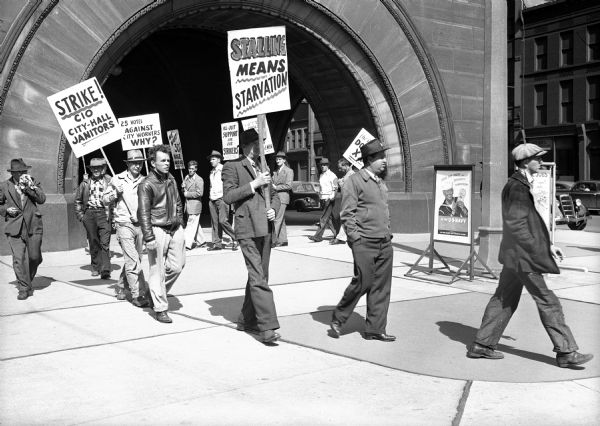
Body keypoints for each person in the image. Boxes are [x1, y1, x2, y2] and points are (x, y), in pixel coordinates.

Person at [467, 143, 593, 368]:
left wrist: (550, 245)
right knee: (548, 301)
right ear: (526, 162)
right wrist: (540, 251)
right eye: (539, 159)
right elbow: (517, 226)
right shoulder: (517, 187)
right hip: (524, 257)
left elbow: (528, 223)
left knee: (504, 299)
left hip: (515, 256)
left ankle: (482, 345)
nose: (542, 162)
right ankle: (566, 351)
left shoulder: (519, 184)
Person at [330, 139, 395, 342]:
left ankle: (375, 329)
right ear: (369, 160)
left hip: (384, 241)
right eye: (380, 157)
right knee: (363, 281)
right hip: (364, 241)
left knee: (381, 288)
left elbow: (383, 210)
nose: (384, 160)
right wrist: (355, 239)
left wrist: (388, 233)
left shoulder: (380, 182)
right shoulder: (354, 181)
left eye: (384, 156)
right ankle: (339, 318)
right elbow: (347, 213)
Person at [222, 129, 282, 344]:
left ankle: (246, 319)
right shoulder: (232, 166)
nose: (260, 147)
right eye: (256, 143)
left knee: (260, 275)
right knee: (258, 276)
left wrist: (274, 209)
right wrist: (254, 184)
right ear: (245, 145)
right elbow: (228, 196)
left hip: (265, 227)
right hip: (247, 228)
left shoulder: (264, 167)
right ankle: (266, 327)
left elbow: (274, 195)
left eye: (262, 143)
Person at [138, 144, 185, 323]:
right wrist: (149, 237)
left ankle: (155, 292)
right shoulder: (146, 184)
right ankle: (160, 308)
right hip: (157, 229)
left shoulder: (171, 179)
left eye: (168, 160)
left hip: (175, 228)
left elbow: (178, 202)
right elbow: (143, 213)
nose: (167, 163)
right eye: (163, 161)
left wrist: (180, 220)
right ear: (152, 163)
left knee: (177, 266)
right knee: (157, 270)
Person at [102, 149, 149, 306]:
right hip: (123, 224)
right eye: (134, 163)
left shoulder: (146, 180)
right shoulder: (117, 179)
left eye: (139, 163)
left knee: (136, 259)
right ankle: (138, 294)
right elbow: (104, 200)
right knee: (132, 260)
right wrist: (115, 192)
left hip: (140, 224)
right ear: (128, 164)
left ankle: (121, 286)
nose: (137, 166)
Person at [0, 158, 46, 300]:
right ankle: (24, 287)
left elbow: (42, 199)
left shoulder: (32, 182)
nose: (21, 174)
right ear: (12, 173)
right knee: (18, 259)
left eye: (23, 171)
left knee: (35, 257)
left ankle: (27, 280)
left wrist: (30, 187)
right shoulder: (4, 186)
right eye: (18, 172)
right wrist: (6, 210)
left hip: (33, 224)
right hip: (14, 226)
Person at [75, 158, 112, 279]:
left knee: (105, 242)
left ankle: (105, 269)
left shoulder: (109, 181)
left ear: (102, 169)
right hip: (89, 214)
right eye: (93, 168)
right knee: (93, 242)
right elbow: (78, 200)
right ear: (90, 170)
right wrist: (81, 216)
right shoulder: (85, 183)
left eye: (98, 168)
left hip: (104, 214)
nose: (96, 170)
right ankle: (96, 267)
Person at [207, 150, 238, 251]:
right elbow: (212, 186)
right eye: (211, 159)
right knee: (215, 223)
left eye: (213, 159)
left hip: (222, 198)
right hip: (212, 199)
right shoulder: (212, 172)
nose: (211, 161)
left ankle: (235, 238)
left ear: (219, 160)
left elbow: (230, 184)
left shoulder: (224, 169)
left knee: (223, 221)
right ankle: (217, 244)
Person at [308, 158, 340, 242]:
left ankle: (318, 236)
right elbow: (322, 187)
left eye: (324, 165)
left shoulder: (332, 175)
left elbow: (335, 188)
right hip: (322, 198)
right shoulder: (321, 175)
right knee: (329, 220)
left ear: (328, 165)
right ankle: (338, 235)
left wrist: (331, 197)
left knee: (323, 218)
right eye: (321, 165)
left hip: (329, 199)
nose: (323, 166)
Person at [329, 158, 355, 245]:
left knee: (345, 217)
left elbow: (349, 187)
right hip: (346, 199)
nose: (340, 170)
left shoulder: (352, 174)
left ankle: (341, 238)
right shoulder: (348, 174)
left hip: (350, 199)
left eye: (341, 167)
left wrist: (340, 183)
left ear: (346, 165)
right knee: (347, 218)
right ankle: (342, 237)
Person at [182, 160, 206, 250]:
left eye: (192, 169)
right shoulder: (186, 177)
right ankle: (202, 241)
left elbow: (200, 193)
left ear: (196, 169)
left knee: (190, 225)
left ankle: (186, 244)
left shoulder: (199, 179)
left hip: (195, 206)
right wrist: (183, 187)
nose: (190, 170)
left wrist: (187, 194)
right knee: (195, 224)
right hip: (188, 205)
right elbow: (184, 191)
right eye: (189, 168)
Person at [271, 151, 293, 247]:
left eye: (280, 159)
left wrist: (276, 188)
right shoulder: (275, 172)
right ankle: (283, 240)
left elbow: (289, 186)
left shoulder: (289, 171)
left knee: (277, 219)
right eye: (276, 159)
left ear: (284, 160)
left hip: (283, 198)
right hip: (276, 198)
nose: (277, 161)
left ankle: (273, 240)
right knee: (281, 219)